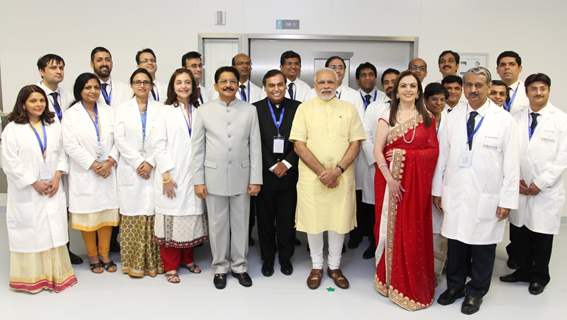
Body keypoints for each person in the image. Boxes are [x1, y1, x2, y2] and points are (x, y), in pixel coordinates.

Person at [433, 67, 519, 315]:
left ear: (488, 86)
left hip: (487, 195)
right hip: (456, 192)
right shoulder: (453, 116)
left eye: (478, 85)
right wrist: (438, 190)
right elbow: (443, 156)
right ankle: (455, 286)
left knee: (483, 246)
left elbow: (512, 165)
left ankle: (476, 292)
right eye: (468, 85)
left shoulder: (504, 120)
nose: (472, 90)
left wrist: (507, 200)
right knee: (457, 243)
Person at [290, 68, 365, 290]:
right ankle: (316, 266)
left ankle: (334, 266)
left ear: (337, 82)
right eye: (321, 82)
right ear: (314, 84)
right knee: (313, 223)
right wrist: (323, 172)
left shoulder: (349, 109)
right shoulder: (304, 109)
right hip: (312, 178)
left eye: (330, 82)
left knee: (337, 222)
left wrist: (338, 170)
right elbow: (298, 144)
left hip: (341, 177)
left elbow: (356, 143)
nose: (325, 86)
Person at [1, 85, 77, 293]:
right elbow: (9, 161)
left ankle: (56, 275)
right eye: (33, 101)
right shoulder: (12, 129)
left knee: (54, 231)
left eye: (41, 100)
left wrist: (57, 176)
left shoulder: (53, 125)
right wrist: (33, 181)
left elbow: (63, 152)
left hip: (52, 186)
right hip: (28, 190)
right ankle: (33, 279)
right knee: (32, 233)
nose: (38, 105)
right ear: (23, 104)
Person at [192, 66, 262, 289]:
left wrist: (255, 179)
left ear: (237, 84)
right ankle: (220, 267)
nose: (228, 85)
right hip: (213, 177)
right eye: (224, 81)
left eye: (232, 81)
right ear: (216, 85)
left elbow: (255, 147)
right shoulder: (203, 111)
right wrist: (198, 180)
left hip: (242, 176)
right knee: (217, 224)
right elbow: (197, 149)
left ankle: (240, 266)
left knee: (241, 224)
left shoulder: (250, 110)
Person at [373, 71, 438, 310]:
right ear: (396, 90)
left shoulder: (427, 118)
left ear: (419, 90)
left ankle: (412, 280)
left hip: (416, 186)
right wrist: (390, 178)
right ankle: (388, 279)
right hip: (389, 182)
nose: (408, 89)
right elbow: (377, 151)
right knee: (388, 229)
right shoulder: (386, 116)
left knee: (413, 229)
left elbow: (433, 153)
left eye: (413, 86)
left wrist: (405, 155)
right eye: (404, 85)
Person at [501, 73, 567, 295]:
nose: (538, 93)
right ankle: (522, 270)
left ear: (548, 90)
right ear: (527, 92)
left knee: (541, 235)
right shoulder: (515, 117)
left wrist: (540, 183)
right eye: (534, 89)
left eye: (543, 89)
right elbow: (509, 150)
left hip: (545, 190)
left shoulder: (560, 119)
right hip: (519, 186)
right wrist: (515, 178)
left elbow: (562, 157)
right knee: (519, 232)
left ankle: (539, 276)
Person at [153, 68, 208, 283]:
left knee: (192, 219)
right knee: (173, 220)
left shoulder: (199, 110)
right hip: (173, 175)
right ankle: (170, 266)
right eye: (179, 83)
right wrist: (166, 176)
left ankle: (188, 259)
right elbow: (158, 145)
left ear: (193, 86)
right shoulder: (165, 112)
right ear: (172, 86)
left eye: (187, 82)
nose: (184, 86)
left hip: (194, 173)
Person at [62, 73, 120, 274]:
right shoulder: (71, 114)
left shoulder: (109, 111)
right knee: (89, 218)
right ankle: (93, 256)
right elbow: (70, 144)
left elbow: (119, 139)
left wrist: (110, 161)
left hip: (108, 171)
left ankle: (105, 255)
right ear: (80, 90)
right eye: (88, 87)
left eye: (96, 87)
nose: (93, 91)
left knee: (105, 215)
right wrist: (94, 164)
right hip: (85, 173)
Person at [114, 68, 163, 278]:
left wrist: (150, 162)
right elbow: (119, 139)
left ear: (152, 85)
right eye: (137, 82)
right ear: (131, 85)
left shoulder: (162, 109)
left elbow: (164, 138)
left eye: (146, 82)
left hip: (153, 169)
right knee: (132, 214)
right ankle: (132, 263)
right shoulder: (121, 109)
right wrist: (137, 162)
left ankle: (154, 264)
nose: (142, 85)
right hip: (130, 169)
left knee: (153, 214)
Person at [36, 53, 82, 265]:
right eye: (53, 67)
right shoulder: (36, 96)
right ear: (42, 71)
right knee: (46, 210)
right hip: (47, 160)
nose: (58, 71)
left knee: (64, 207)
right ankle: (47, 252)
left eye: (61, 67)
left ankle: (65, 249)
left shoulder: (66, 96)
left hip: (67, 158)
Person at [253, 69, 300, 277]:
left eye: (280, 84)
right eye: (271, 85)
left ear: (285, 85)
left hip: (290, 175)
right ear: (265, 88)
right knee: (264, 221)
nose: (276, 89)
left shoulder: (299, 108)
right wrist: (273, 164)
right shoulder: (255, 109)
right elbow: (254, 142)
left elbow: (302, 141)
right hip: (265, 174)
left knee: (286, 220)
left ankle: (285, 257)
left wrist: (287, 163)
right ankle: (268, 258)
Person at [358, 68, 400, 259]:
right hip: (378, 165)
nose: (391, 84)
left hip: (401, 166)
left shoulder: (412, 107)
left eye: (395, 81)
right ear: (383, 85)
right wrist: (375, 160)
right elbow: (365, 133)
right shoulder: (375, 106)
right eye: (388, 82)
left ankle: (396, 246)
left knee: (398, 208)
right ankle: (374, 244)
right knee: (377, 208)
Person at [424, 82, 449, 283]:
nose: (439, 103)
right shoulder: (420, 120)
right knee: (426, 225)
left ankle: (437, 269)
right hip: (423, 177)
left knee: (441, 227)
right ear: (425, 100)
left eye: (442, 99)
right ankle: (424, 267)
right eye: (434, 99)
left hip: (446, 179)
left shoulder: (451, 120)